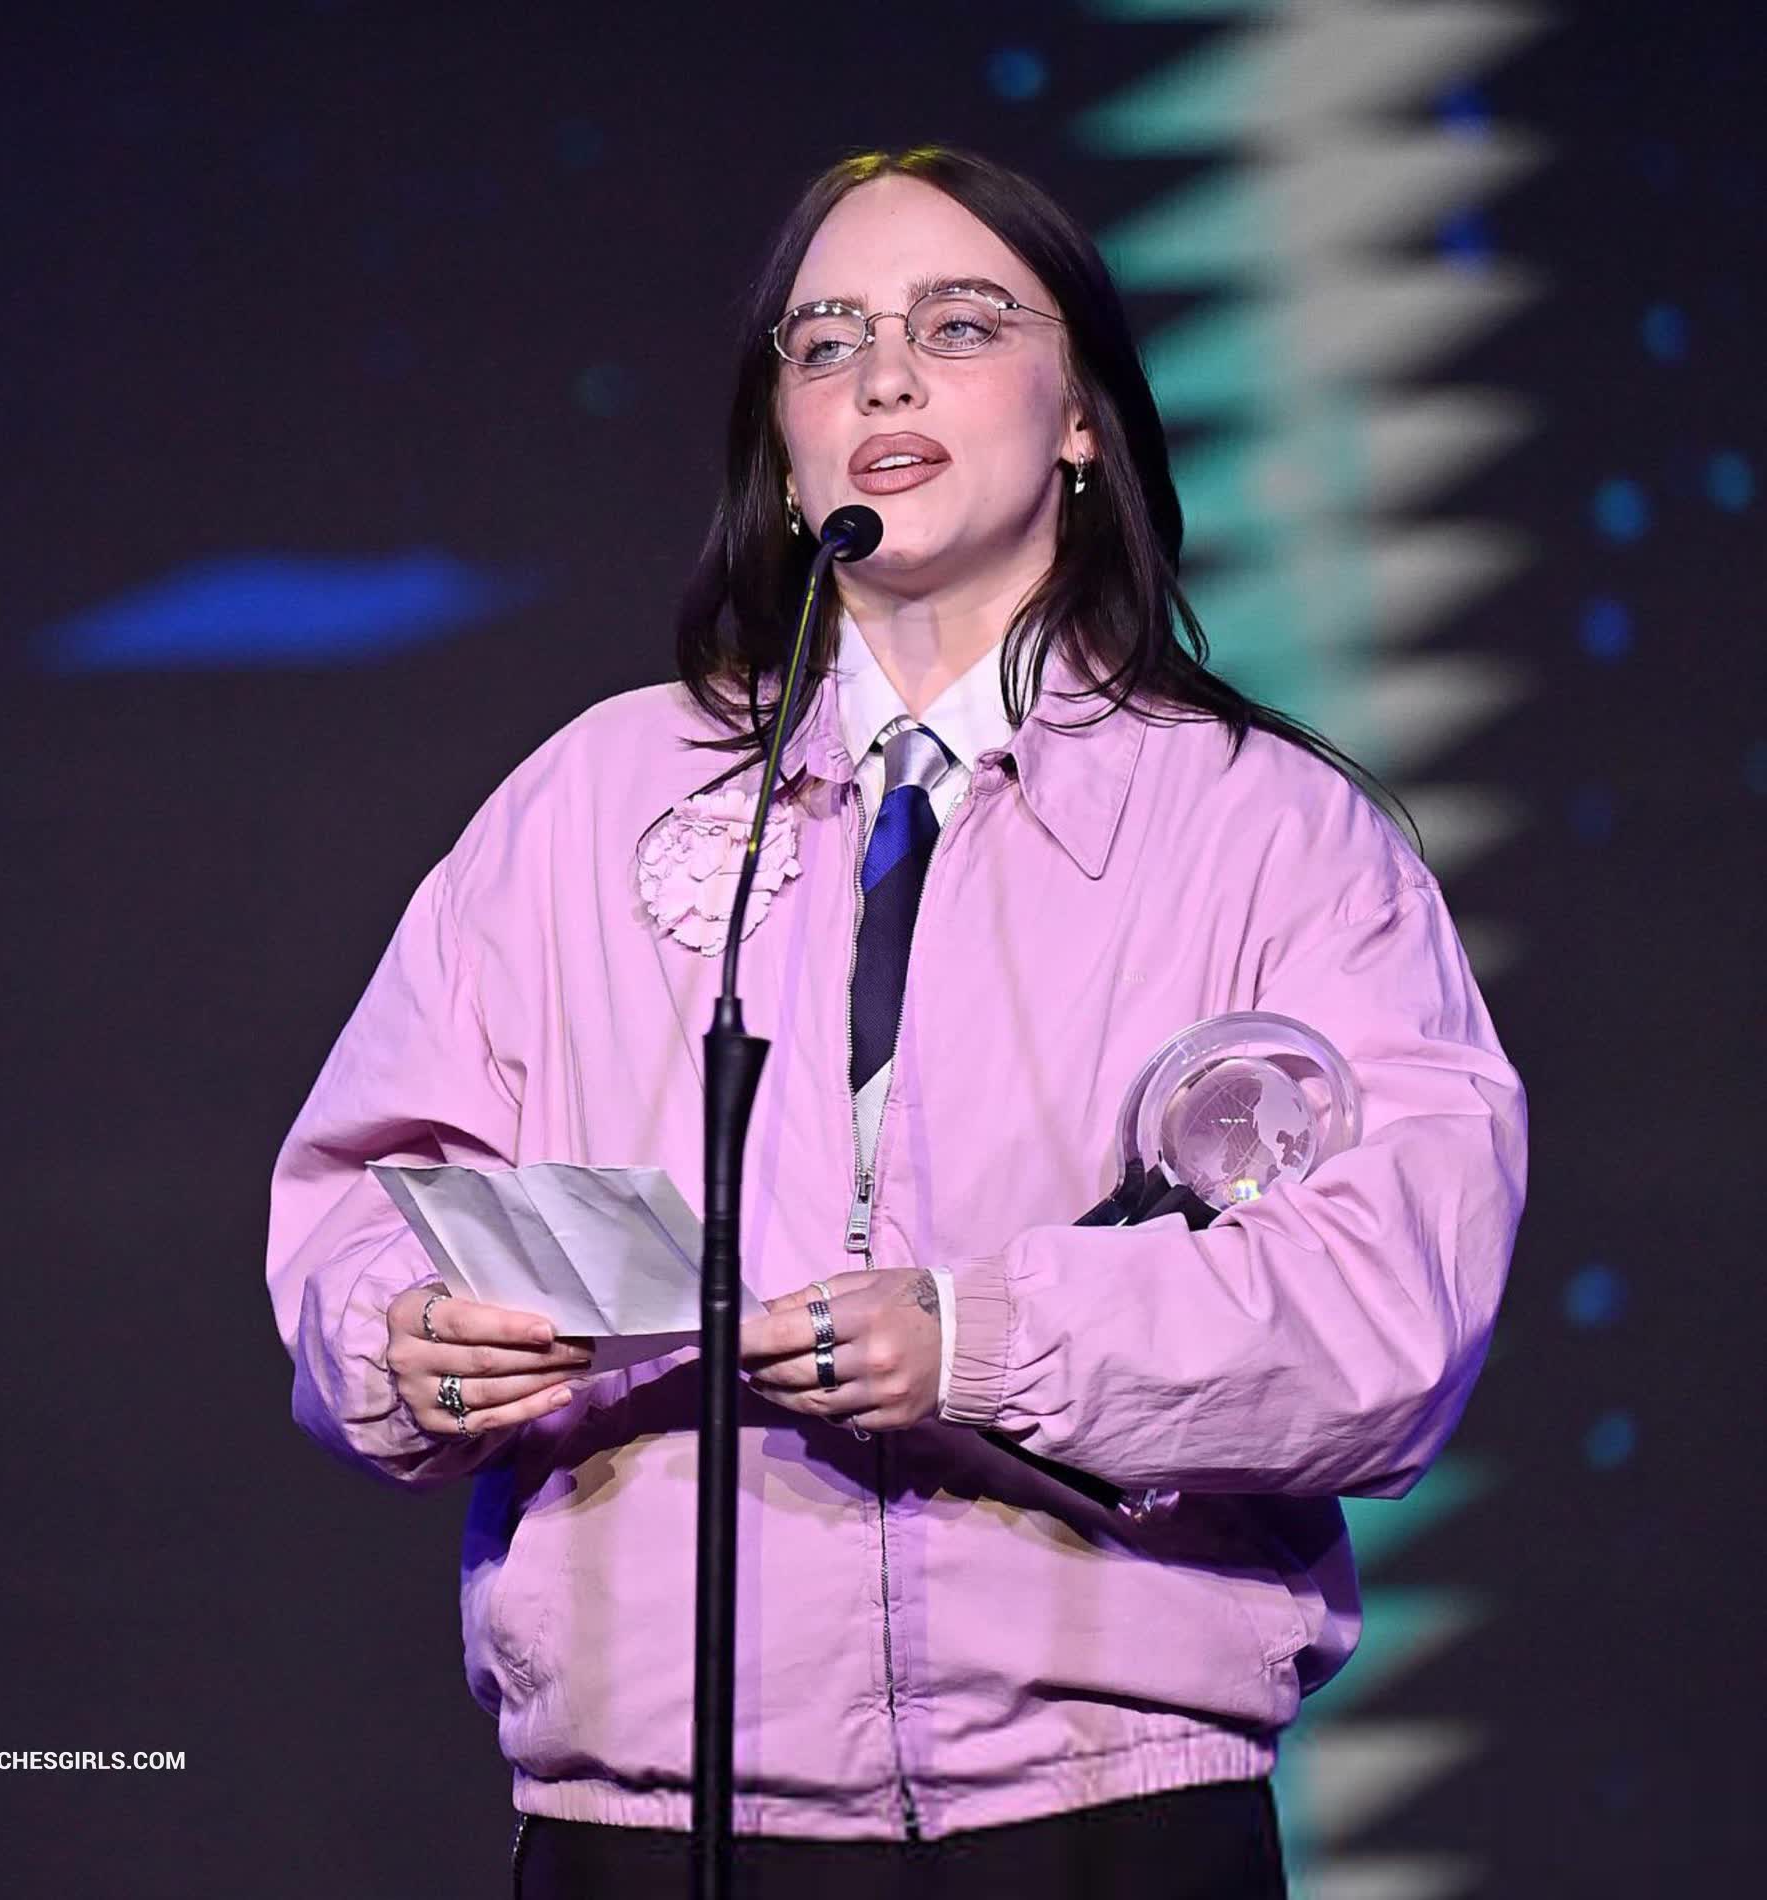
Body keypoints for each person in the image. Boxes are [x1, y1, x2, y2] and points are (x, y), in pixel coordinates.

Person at [265, 145, 1528, 1898]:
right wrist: (405, 1345)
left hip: (1098, 1819)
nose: (883, 377)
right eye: (827, 341)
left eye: (959, 324)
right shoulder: (592, 800)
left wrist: (977, 1342)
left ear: (1080, 416)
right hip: (648, 1822)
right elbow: (362, 1202)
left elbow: (1390, 1310)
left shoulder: (1270, 830)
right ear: (784, 448)